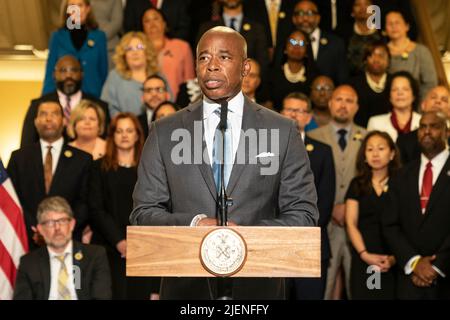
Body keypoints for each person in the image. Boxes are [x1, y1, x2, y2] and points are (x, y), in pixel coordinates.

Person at [130, 26, 319, 300]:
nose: (212, 66)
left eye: (224, 57)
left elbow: (303, 214)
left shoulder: (282, 131)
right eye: (204, 58)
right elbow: (143, 214)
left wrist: (243, 236)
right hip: (186, 289)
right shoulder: (164, 132)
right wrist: (195, 224)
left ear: (245, 68)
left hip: (258, 288)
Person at [383, 111, 450, 299]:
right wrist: (414, 262)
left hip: (446, 277)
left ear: (447, 132)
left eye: (434, 126)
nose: (427, 131)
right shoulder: (401, 175)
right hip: (408, 279)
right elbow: (389, 224)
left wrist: (437, 266)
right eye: (422, 126)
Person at [308, 85, 367, 300]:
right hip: (325, 224)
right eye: (339, 99)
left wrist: (350, 207)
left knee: (362, 287)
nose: (343, 105)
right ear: (330, 103)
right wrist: (329, 207)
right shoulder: (313, 137)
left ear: (357, 107)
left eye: (349, 100)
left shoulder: (368, 138)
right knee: (323, 288)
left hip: (358, 225)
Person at [8, 100, 92, 250]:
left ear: (65, 121)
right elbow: (13, 200)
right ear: (35, 121)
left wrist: (62, 227)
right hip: (28, 240)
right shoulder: (18, 158)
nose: (48, 118)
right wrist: (38, 229)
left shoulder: (82, 160)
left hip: (69, 241)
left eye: (54, 114)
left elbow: (85, 202)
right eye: (43, 114)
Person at [88, 113, 154, 299]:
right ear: (112, 135)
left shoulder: (150, 168)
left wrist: (134, 242)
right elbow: (96, 208)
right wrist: (119, 241)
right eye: (119, 131)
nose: (124, 135)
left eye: (129, 131)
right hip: (108, 247)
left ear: (137, 135)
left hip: (142, 247)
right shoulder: (98, 167)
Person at [281, 92, 335, 299]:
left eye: (299, 111)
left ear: (309, 117)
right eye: (289, 110)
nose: (293, 115)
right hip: (274, 243)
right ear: (280, 113)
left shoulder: (323, 152)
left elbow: (326, 201)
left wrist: (298, 231)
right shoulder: (265, 149)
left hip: (310, 243)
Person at [13, 196, 111, 300]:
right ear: (40, 229)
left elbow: (101, 296)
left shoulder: (94, 255)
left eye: (63, 221)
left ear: (72, 224)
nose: (57, 228)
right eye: (50, 223)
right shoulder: (29, 263)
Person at [345, 131, 399, 299]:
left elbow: (408, 223)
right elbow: (350, 223)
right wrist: (364, 254)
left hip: (394, 258)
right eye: (370, 149)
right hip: (364, 257)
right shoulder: (357, 184)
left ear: (391, 154)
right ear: (364, 156)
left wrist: (395, 258)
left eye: (381, 148)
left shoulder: (402, 183)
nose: (375, 154)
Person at [21, 55, 110, 147]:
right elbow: (27, 143)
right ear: (54, 75)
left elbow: (108, 144)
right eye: (63, 70)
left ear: (82, 74)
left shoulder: (99, 106)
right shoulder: (38, 105)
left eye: (74, 70)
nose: (69, 75)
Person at [42, 0, 108, 98]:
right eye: (72, 6)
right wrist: (45, 99)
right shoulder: (57, 37)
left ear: (88, 8)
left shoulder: (99, 37)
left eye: (80, 5)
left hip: (92, 98)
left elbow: (103, 73)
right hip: (65, 98)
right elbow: (50, 72)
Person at [101, 31, 160, 117]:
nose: (134, 52)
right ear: (124, 54)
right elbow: (107, 107)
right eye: (129, 49)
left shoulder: (158, 75)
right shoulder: (115, 77)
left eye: (139, 47)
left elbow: (169, 104)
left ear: (147, 51)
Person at [142, 7, 195, 99]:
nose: (152, 24)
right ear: (143, 27)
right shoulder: (138, 50)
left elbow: (190, 82)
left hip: (177, 105)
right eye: (147, 21)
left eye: (156, 18)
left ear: (164, 23)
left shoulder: (182, 47)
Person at [292, 0, 348, 85]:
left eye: (310, 13)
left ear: (318, 18)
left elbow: (343, 78)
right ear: (294, 19)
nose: (305, 18)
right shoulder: (287, 42)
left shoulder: (335, 43)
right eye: (300, 13)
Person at [385, 11, 437, 100]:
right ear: (385, 29)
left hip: (417, 104)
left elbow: (430, 83)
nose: (393, 26)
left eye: (397, 22)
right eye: (390, 23)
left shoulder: (421, 51)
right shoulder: (382, 52)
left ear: (407, 26)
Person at [397, 86, 450, 164]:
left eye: (444, 100)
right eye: (433, 97)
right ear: (423, 105)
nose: (438, 101)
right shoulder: (405, 142)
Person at [270, 30, 318, 111]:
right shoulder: (270, 73)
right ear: (285, 48)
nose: (296, 46)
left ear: (307, 50)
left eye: (301, 43)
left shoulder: (315, 76)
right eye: (293, 42)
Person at [367, 71, 421, 142]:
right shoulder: (375, 123)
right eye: (395, 89)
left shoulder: (422, 121)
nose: (400, 93)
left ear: (414, 95)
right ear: (389, 97)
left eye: (405, 89)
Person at [350, 41, 392, 128]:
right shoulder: (354, 84)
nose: (376, 60)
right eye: (371, 55)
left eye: (381, 56)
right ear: (365, 60)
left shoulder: (395, 82)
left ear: (388, 61)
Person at [346, 0, 382, 77]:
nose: (363, 8)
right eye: (357, 5)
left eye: (367, 4)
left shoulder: (383, 33)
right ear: (352, 12)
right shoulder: (344, 34)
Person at [91, 0, 124, 70]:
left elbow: (117, 22)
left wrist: (98, 38)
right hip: (81, 45)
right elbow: (72, 23)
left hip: (108, 46)